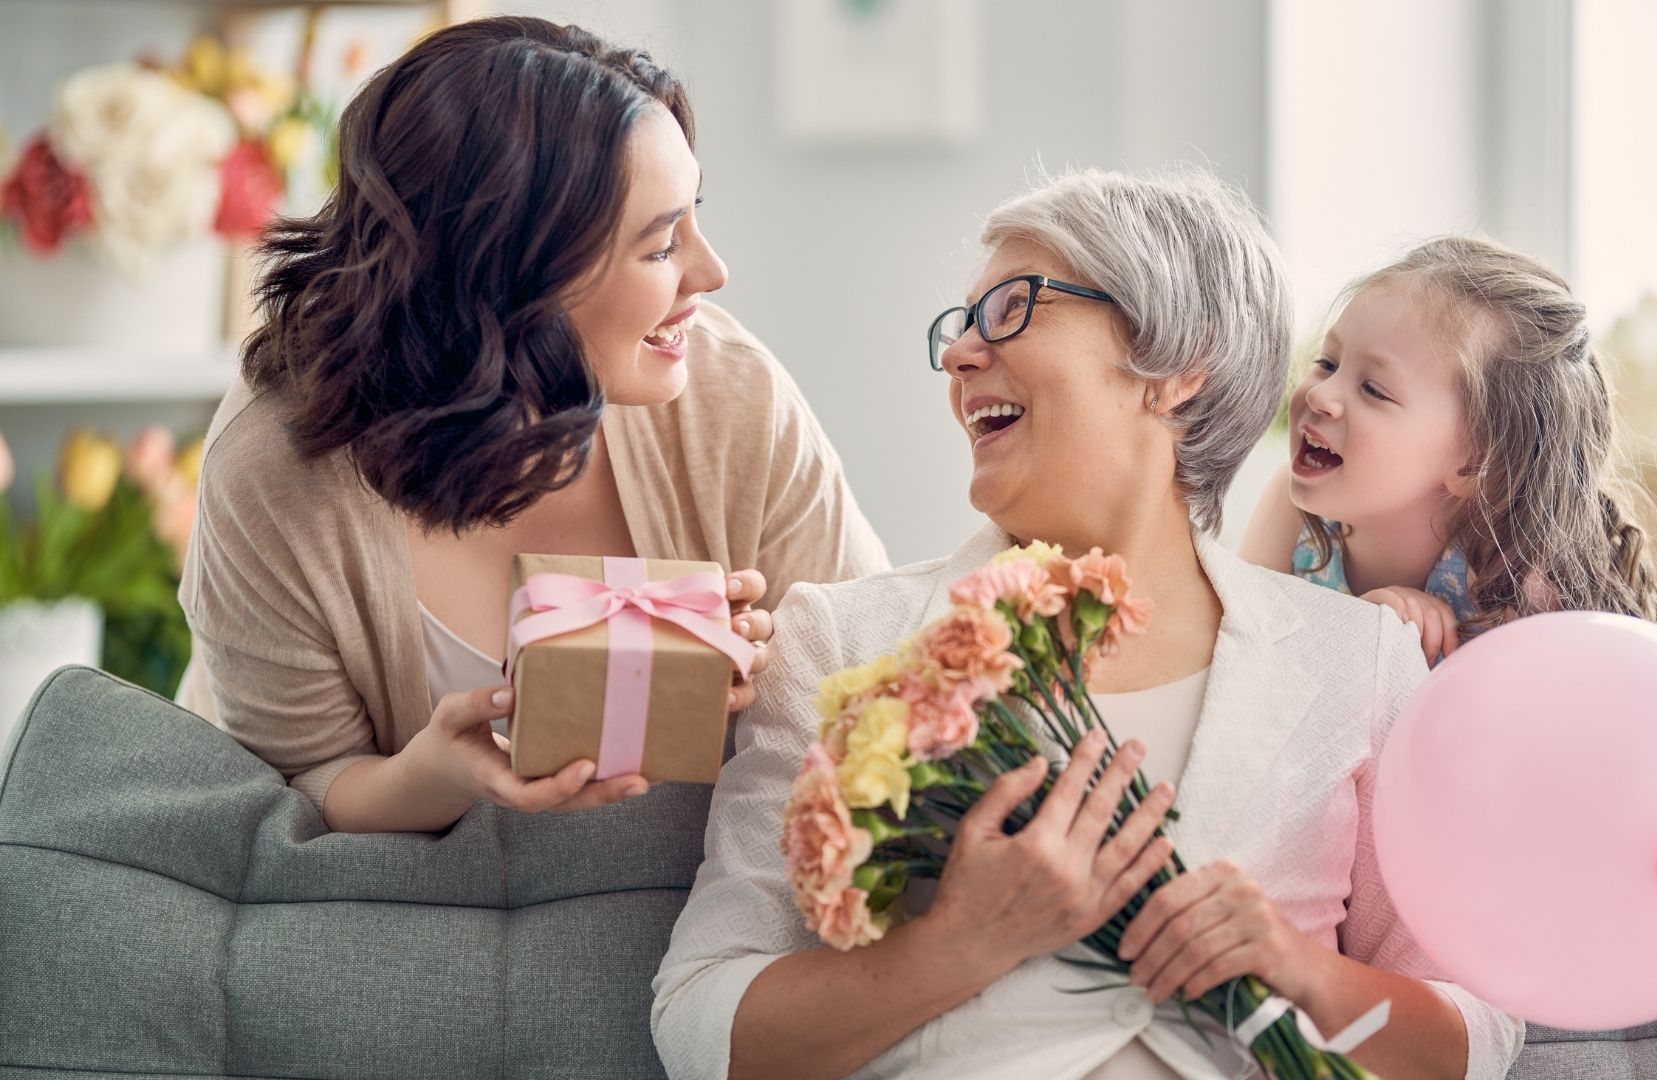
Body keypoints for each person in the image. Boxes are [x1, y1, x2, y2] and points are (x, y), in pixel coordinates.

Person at [653, 167, 1524, 1080]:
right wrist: (955, 946)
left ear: (1182, 366)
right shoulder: (838, 641)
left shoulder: (1363, 660)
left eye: (1014, 308)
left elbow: (1478, 1036)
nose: (959, 357)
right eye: (960, 327)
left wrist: (1301, 970)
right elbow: (699, 1018)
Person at [175, 16, 886, 834]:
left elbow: (878, 692)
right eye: (660, 246)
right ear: (511, 277)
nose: (713, 272)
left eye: (694, 216)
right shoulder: (274, 467)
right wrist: (437, 774)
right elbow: (299, 785)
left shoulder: (731, 397)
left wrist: (781, 679)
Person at [1240, 236, 1657, 665]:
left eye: (1373, 390)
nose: (1321, 395)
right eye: (1328, 363)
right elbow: (1240, 663)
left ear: (1474, 464)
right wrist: (1359, 636)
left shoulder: (1514, 581)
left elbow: (1544, 724)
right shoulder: (1293, 511)